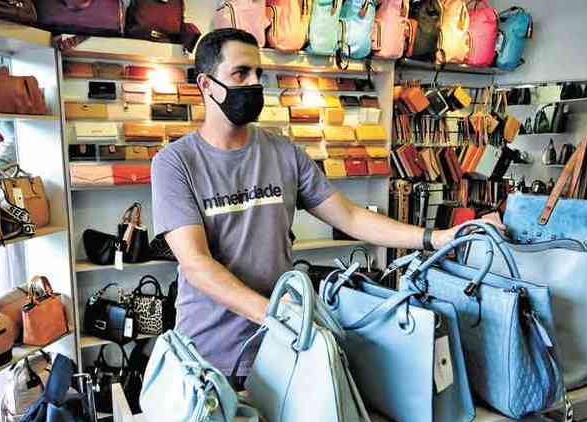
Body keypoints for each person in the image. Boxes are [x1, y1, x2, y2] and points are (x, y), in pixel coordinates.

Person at [151, 28, 502, 382]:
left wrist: (436, 238)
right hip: (210, 356)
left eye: (259, 73)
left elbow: (349, 216)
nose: (255, 83)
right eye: (240, 73)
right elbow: (196, 263)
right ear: (206, 84)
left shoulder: (283, 152)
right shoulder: (175, 163)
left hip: (280, 347)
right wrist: (276, 313)